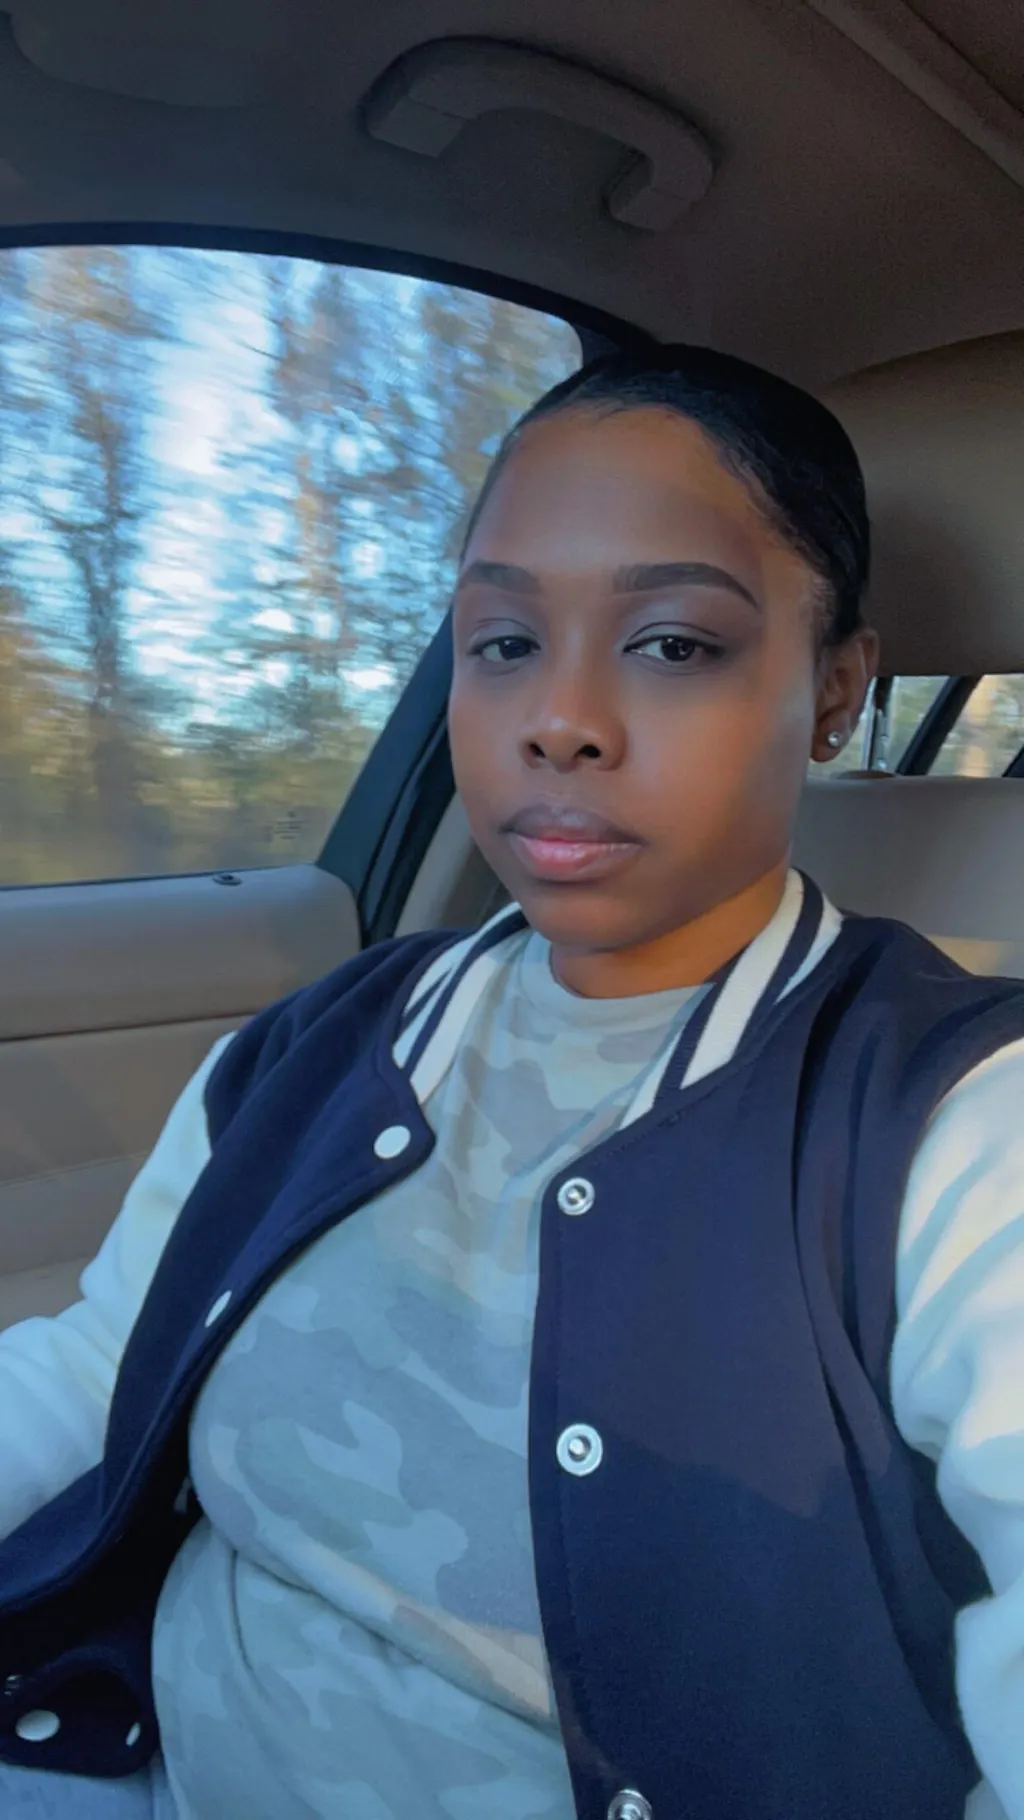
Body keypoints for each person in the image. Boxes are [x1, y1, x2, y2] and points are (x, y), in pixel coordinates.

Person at [0, 346, 1022, 1820]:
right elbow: (110, 1366)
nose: (560, 718)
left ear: (836, 692)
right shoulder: (322, 1040)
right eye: (501, 642)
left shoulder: (954, 1124)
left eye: (673, 644)